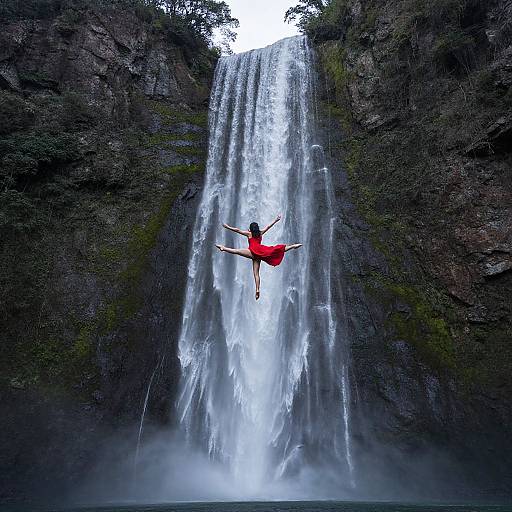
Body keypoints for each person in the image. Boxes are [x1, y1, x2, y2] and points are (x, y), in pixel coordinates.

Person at [215, 214, 302, 300]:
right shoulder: (260, 233)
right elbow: (268, 227)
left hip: (252, 252)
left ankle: (223, 248)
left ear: (251, 229)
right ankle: (292, 246)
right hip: (260, 253)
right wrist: (276, 220)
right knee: (276, 250)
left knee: (237, 252)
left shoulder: (249, 234)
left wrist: (227, 227)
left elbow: (237, 230)